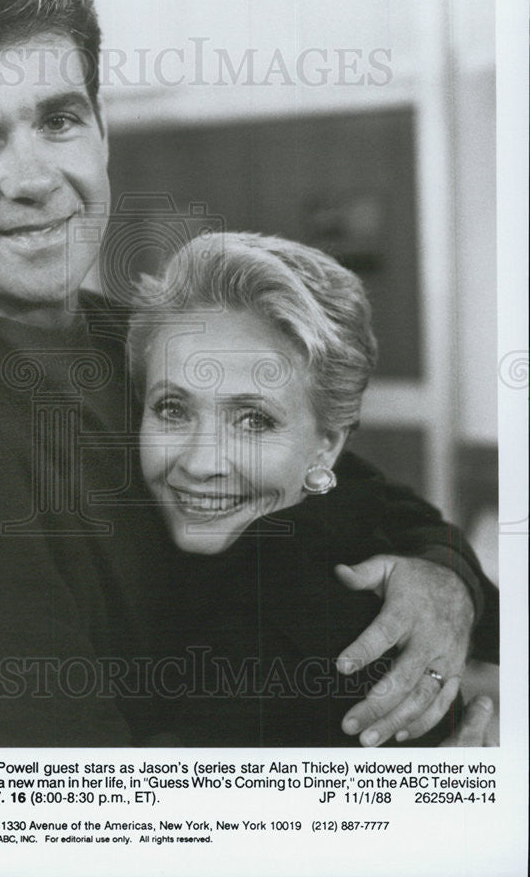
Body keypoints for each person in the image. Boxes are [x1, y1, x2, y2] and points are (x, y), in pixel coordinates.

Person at [0, 0, 497, 747]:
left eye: (58, 120)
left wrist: (444, 583)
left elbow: (370, 499)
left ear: (100, 129)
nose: (34, 180)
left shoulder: (147, 343)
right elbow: (77, 829)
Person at [129, 231, 499, 745]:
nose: (200, 462)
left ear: (326, 447)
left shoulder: (314, 613)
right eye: (172, 409)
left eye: (254, 421)